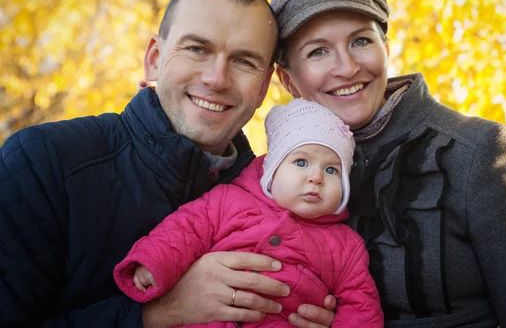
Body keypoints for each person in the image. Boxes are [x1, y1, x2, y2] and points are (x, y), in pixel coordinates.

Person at [267, 0, 506, 327]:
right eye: (317, 52)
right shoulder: (277, 172)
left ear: (386, 48)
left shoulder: (476, 150)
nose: (345, 67)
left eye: (361, 41)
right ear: (287, 79)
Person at [0, 0, 291, 327]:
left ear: (263, 89)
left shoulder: (278, 196)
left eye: (244, 61)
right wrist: (157, 315)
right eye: (197, 49)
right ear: (154, 58)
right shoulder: (43, 162)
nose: (217, 79)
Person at [113, 99, 384, 327]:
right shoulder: (229, 200)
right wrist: (154, 264)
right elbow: (184, 230)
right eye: (301, 162)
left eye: (331, 170)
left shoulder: (347, 247)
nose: (316, 177)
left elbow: (361, 305)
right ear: (272, 168)